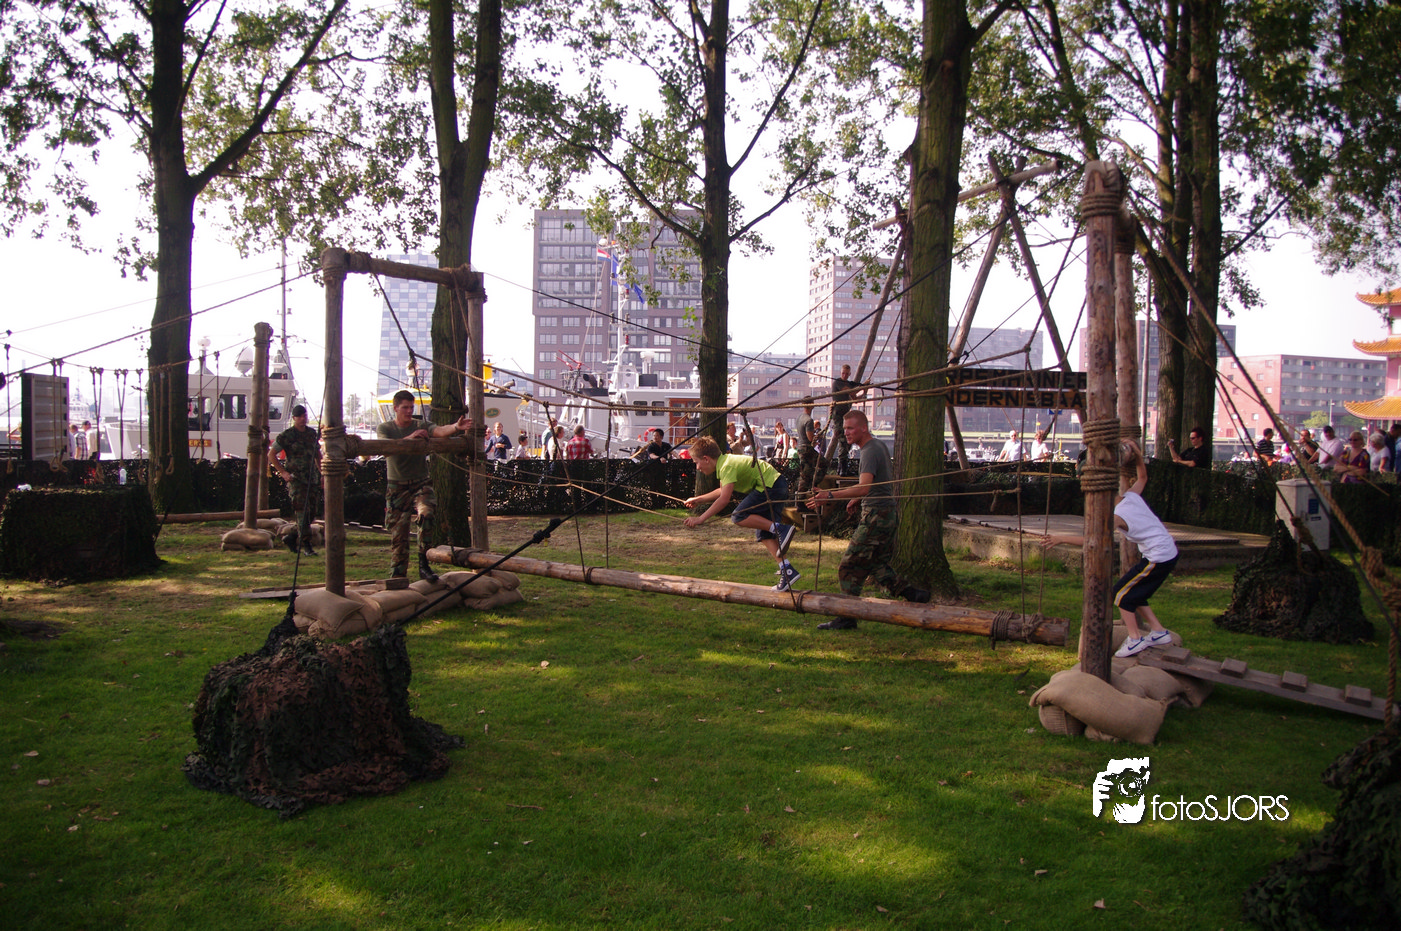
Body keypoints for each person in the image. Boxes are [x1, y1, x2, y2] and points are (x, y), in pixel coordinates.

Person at [1042, 440, 1178, 658]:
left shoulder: (1117, 517)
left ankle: (1135, 639)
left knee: (1121, 595)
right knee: (1134, 592)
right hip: (1164, 552)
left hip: (1159, 556)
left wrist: (1061, 538)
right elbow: (1143, 477)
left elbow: (1093, 540)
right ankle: (1159, 631)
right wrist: (1137, 454)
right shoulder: (1130, 497)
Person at [804, 410, 930, 630]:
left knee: (848, 566)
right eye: (845, 429)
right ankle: (915, 595)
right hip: (886, 514)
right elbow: (874, 484)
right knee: (877, 565)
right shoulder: (877, 446)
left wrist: (829, 495)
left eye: (851, 428)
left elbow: (864, 487)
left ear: (864, 428)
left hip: (876, 516)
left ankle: (847, 617)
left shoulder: (870, 450)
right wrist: (856, 499)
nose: (846, 433)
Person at [378, 389, 473, 581]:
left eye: (411, 407)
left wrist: (456, 427)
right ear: (395, 408)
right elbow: (385, 448)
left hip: (420, 482)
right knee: (399, 533)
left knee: (426, 513)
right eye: (405, 408)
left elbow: (439, 431)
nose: (409, 411)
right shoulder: (385, 428)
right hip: (397, 487)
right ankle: (398, 574)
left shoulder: (420, 425)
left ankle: (424, 563)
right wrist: (410, 438)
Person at [684, 435, 800, 592]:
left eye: (696, 462)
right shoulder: (725, 463)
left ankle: (780, 529)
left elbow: (724, 499)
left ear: (706, 459)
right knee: (764, 534)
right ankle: (788, 571)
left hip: (770, 486)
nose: (697, 467)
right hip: (775, 485)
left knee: (738, 516)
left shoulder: (726, 466)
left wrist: (700, 519)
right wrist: (698, 499)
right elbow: (722, 491)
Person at [271, 404, 322, 556]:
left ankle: (291, 537)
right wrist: (283, 472)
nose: (302, 419)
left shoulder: (312, 434)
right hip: (296, 480)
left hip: (311, 478)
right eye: (299, 416)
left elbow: (317, 455)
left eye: (304, 416)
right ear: (294, 418)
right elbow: (271, 455)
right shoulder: (287, 436)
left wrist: (322, 474)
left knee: (311, 512)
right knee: (302, 511)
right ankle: (307, 545)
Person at [829, 363, 863, 466]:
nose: (845, 375)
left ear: (849, 374)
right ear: (841, 373)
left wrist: (864, 391)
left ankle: (843, 464)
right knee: (842, 439)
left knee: (848, 440)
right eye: (843, 373)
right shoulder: (838, 383)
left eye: (847, 374)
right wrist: (861, 387)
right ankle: (842, 466)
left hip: (846, 415)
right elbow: (850, 391)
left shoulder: (849, 384)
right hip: (838, 415)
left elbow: (855, 399)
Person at [794, 398, 818, 503]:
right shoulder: (809, 420)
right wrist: (816, 437)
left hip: (800, 448)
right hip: (807, 449)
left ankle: (801, 498)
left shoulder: (799, 417)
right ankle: (812, 486)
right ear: (811, 405)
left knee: (805, 474)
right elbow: (810, 438)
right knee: (822, 464)